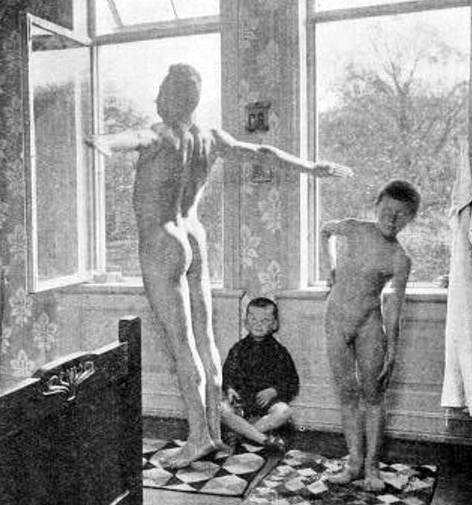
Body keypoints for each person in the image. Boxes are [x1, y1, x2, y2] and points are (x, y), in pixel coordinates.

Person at [86, 63, 352, 469]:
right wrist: (311, 168)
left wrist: (103, 140)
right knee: (206, 341)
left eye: (161, 91)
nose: (155, 98)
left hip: (162, 241)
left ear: (170, 96)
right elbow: (262, 152)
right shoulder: (210, 138)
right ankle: (211, 433)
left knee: (182, 346)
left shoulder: (159, 134)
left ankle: (198, 438)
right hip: (194, 237)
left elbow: (132, 138)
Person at [319, 180, 420, 491]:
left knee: (373, 396)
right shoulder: (354, 228)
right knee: (347, 394)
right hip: (335, 319)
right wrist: (328, 269)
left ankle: (372, 468)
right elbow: (324, 230)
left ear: (410, 218)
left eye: (401, 214)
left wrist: (392, 349)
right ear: (376, 206)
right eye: (387, 210)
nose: (392, 218)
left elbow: (394, 307)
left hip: (369, 324)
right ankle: (353, 464)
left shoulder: (399, 258)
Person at [220, 297, 298, 452]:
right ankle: (263, 439)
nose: (258, 324)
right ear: (246, 322)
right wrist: (230, 389)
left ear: (274, 324)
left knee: (284, 411)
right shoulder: (238, 349)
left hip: (267, 403)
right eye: (253, 319)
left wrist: (274, 390)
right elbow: (228, 374)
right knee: (221, 408)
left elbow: (291, 381)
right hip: (243, 401)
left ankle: (241, 434)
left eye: (265, 320)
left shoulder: (278, 351)